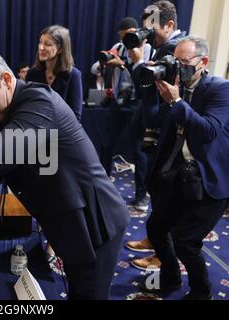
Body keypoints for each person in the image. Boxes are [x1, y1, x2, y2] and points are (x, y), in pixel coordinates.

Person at [0, 48, 130, 300]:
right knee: (78, 287)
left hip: (94, 220)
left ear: (7, 80)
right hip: (66, 215)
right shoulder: (6, 108)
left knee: (89, 292)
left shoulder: (38, 101)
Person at [135, 36, 229, 300]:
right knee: (156, 227)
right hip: (179, 173)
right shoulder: (176, 86)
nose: (179, 66)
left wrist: (177, 103)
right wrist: (153, 91)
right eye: (175, 61)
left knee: (185, 242)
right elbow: (157, 124)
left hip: (210, 178)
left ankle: (201, 292)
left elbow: (208, 131)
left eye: (184, 62)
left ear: (204, 62)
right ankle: (170, 278)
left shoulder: (220, 89)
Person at [125, 0, 187, 269]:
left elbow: (149, 86)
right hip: (157, 127)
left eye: (152, 29)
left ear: (170, 25)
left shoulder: (176, 51)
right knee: (156, 189)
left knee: (165, 194)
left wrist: (140, 61)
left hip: (169, 132)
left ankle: (163, 255)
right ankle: (154, 239)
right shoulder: (163, 47)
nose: (147, 35)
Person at [91, 17, 151, 212]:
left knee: (138, 151)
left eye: (130, 35)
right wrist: (104, 64)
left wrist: (122, 65)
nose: (127, 40)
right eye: (124, 36)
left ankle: (141, 196)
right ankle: (102, 185)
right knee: (105, 144)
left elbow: (144, 75)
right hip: (118, 103)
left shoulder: (146, 48)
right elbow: (95, 68)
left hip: (137, 104)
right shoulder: (117, 46)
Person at [26, 25, 83, 123]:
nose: (41, 47)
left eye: (47, 44)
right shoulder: (32, 73)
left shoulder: (74, 75)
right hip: (36, 132)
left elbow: (75, 116)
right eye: (40, 42)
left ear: (60, 49)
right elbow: (27, 107)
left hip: (62, 134)